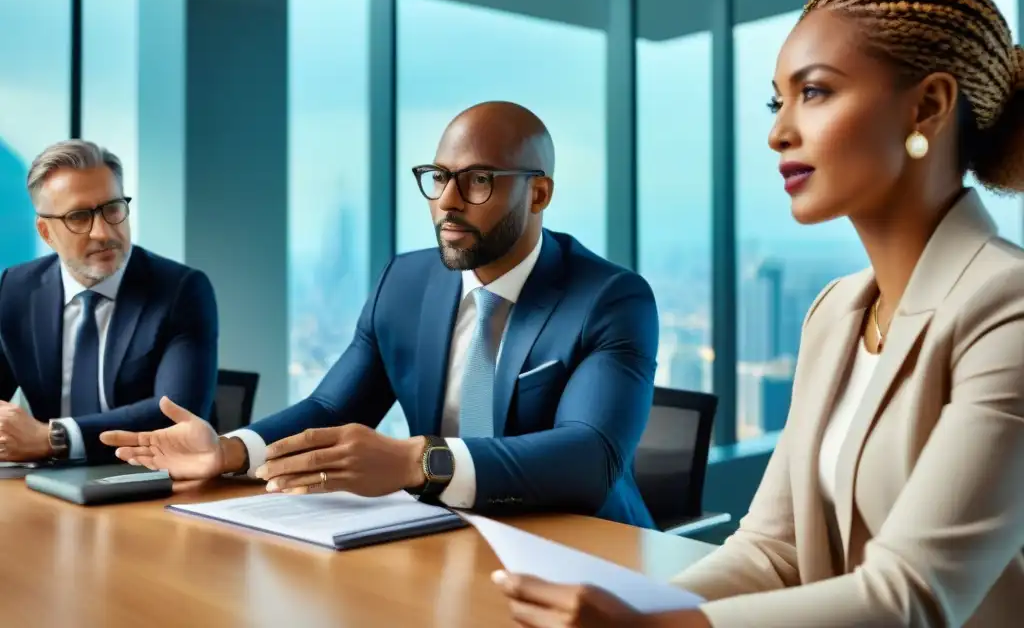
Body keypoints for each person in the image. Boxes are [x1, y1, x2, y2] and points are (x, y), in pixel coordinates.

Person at [492, 0, 1024, 627]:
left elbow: (912, 596)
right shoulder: (836, 312)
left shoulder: (1008, 310)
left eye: (817, 93)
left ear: (928, 106)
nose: (778, 133)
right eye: (779, 101)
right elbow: (773, 551)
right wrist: (630, 603)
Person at [103, 102, 659, 527]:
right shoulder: (406, 282)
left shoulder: (609, 298)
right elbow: (331, 405)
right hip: (445, 533)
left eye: (479, 180)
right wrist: (229, 450)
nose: (447, 200)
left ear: (538, 195)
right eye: (439, 177)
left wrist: (421, 462)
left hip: (583, 549)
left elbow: (591, 456)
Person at [0, 140, 218, 464]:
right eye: (78, 217)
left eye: (113, 209)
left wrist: (54, 438)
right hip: (48, 485)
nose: (103, 232)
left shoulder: (180, 291)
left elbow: (176, 415)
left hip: (152, 481)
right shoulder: (16, 288)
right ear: (46, 233)